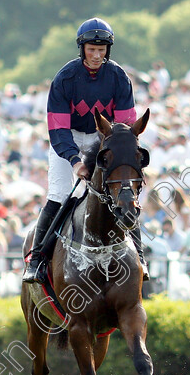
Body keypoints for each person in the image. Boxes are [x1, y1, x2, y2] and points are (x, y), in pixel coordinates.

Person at [23, 17, 142, 284]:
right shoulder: (65, 77)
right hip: (68, 139)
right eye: (92, 49)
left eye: (102, 50)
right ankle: (38, 259)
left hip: (104, 137)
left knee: (124, 191)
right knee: (59, 194)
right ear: (82, 49)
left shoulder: (119, 77)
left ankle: (140, 257)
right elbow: (58, 128)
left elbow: (125, 123)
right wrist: (75, 161)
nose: (97, 55)